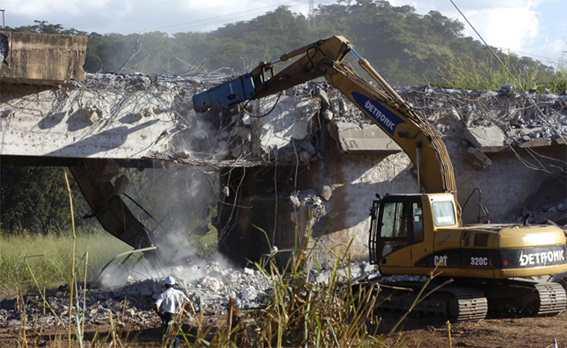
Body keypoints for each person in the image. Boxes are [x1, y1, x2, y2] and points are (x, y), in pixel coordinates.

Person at [154, 276, 189, 347]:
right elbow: (189, 303)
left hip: (168, 316)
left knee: (168, 335)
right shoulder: (180, 293)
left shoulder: (163, 294)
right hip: (178, 316)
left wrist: (160, 315)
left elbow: (156, 306)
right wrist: (184, 312)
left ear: (165, 285)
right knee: (176, 333)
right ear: (174, 285)